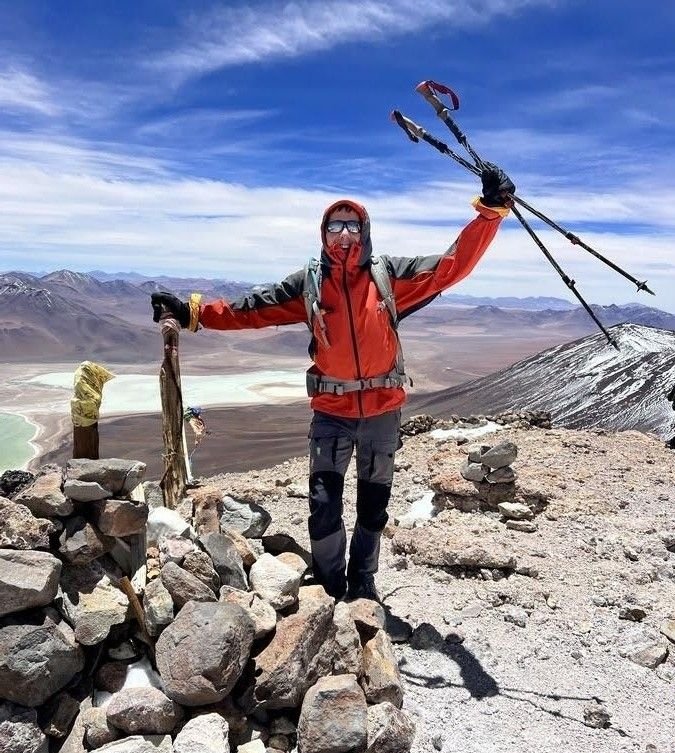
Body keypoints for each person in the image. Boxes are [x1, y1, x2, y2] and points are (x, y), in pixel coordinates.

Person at [151, 164, 515, 602]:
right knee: (323, 506)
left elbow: (452, 265)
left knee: (373, 507)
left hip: (381, 412)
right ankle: (329, 585)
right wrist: (193, 313)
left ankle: (362, 582)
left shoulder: (389, 276)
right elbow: (250, 308)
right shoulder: (309, 283)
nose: (345, 235)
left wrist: (490, 212)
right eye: (336, 226)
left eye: (353, 226)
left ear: (365, 232)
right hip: (331, 412)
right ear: (324, 233)